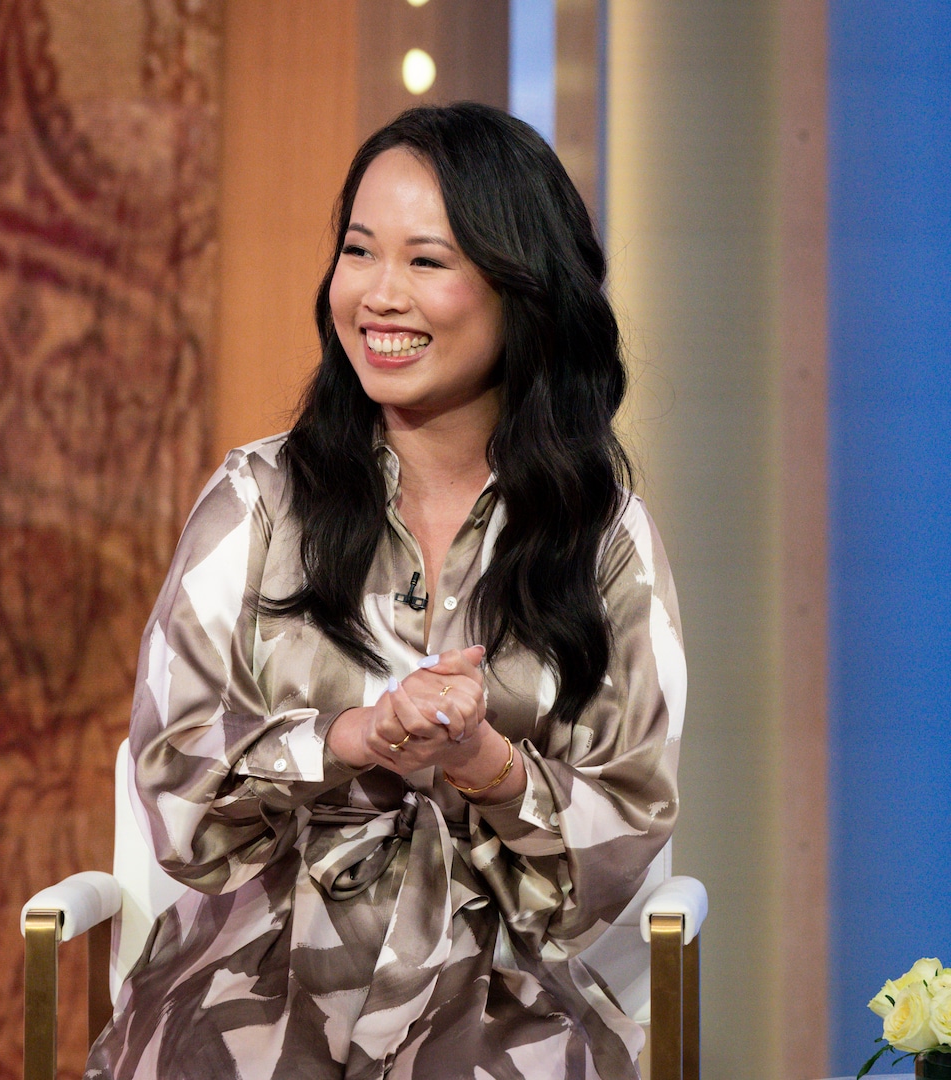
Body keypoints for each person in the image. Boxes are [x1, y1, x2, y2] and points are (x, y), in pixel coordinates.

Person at [85, 102, 685, 1080]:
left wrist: (486, 764)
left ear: (522, 290)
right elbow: (176, 786)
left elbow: (627, 828)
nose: (378, 295)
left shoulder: (602, 536)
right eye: (359, 252)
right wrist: (347, 739)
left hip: (508, 996)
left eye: (427, 260)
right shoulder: (257, 500)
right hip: (256, 989)